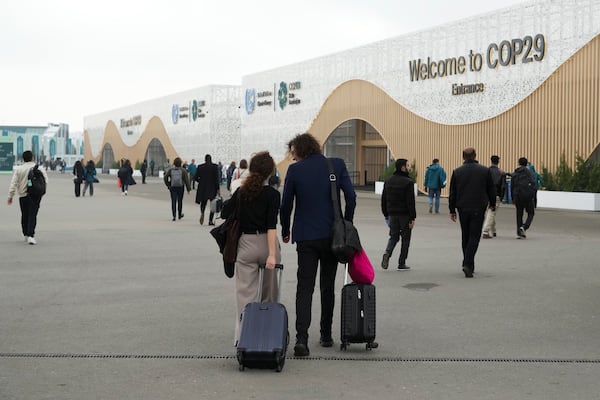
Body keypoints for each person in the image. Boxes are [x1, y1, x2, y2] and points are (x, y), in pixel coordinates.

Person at [280, 132, 356, 357]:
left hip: (306, 236)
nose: (292, 157)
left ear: (300, 151)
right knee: (327, 286)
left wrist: (285, 229)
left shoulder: (295, 171)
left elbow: (286, 205)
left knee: (305, 287)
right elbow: (351, 197)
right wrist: (346, 223)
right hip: (333, 235)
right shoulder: (337, 165)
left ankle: (301, 339)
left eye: (293, 153)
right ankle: (325, 334)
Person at [221, 151, 281, 344]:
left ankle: (243, 337)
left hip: (245, 244)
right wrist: (272, 255)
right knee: (269, 294)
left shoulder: (241, 192)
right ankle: (268, 336)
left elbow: (224, 212)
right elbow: (272, 226)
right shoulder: (272, 195)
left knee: (245, 294)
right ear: (270, 172)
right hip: (267, 243)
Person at [448, 147, 496, 278]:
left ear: (463, 157)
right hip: (478, 208)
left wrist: (452, 210)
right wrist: (492, 204)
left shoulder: (457, 172)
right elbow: (491, 189)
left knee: (466, 235)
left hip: (462, 208)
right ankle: (468, 264)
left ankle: (468, 263)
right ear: (475, 156)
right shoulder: (484, 171)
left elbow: (453, 193)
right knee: (474, 236)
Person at [381, 158, 417, 270]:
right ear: (402, 167)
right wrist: (412, 217)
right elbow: (410, 202)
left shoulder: (389, 180)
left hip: (392, 214)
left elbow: (384, 198)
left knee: (393, 236)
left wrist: (386, 213)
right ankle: (401, 262)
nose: (409, 167)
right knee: (405, 239)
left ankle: (387, 252)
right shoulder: (408, 182)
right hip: (405, 215)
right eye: (407, 165)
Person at [7, 150, 49, 245]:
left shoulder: (19, 169)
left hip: (22, 195)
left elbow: (13, 183)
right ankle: (31, 235)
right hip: (35, 196)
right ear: (32, 158)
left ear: (23, 159)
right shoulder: (39, 168)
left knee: (24, 214)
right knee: (32, 215)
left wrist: (10, 196)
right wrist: (41, 192)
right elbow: (45, 181)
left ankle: (26, 233)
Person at [511, 157, 536, 239]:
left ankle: (519, 232)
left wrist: (513, 198)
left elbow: (512, 186)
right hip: (528, 196)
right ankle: (525, 227)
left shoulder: (516, 173)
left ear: (519, 163)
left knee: (519, 214)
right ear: (526, 163)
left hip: (518, 196)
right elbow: (533, 183)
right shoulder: (530, 173)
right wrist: (533, 195)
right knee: (531, 213)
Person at [482, 155, 506, 239]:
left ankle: (493, 230)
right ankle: (485, 231)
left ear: (491, 161)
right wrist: (501, 196)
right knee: (492, 212)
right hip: (496, 194)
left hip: (485, 195)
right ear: (498, 162)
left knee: (490, 212)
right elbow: (503, 186)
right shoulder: (501, 173)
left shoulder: (486, 171)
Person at [194, 154, 220, 225]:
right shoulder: (215, 167)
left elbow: (195, 177)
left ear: (205, 159)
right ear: (211, 159)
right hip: (212, 188)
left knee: (203, 203)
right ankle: (210, 220)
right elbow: (217, 179)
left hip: (203, 188)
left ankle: (202, 213)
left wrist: (201, 181)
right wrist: (218, 189)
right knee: (213, 204)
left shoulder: (200, 167)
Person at [163, 157, 191, 221]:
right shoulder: (183, 170)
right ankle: (179, 214)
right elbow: (186, 180)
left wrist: (168, 184)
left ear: (174, 163)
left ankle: (174, 215)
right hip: (180, 187)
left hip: (173, 187)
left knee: (173, 201)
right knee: (180, 201)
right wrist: (188, 189)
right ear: (180, 163)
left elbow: (165, 177)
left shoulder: (171, 170)